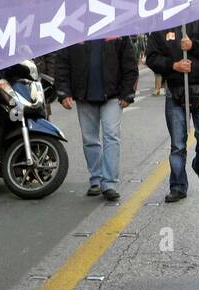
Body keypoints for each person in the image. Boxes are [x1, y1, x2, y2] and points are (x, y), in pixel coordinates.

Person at [146, 14, 199, 202]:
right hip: (175, 91)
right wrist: (173, 66)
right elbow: (152, 57)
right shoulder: (161, 26)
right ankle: (178, 185)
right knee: (178, 144)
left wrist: (193, 46)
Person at [53, 36, 138, 200]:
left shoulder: (116, 31)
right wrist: (63, 92)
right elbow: (62, 64)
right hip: (84, 95)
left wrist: (127, 92)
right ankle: (96, 180)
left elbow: (129, 63)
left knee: (111, 136)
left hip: (113, 96)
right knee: (89, 139)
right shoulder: (76, 30)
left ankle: (110, 184)